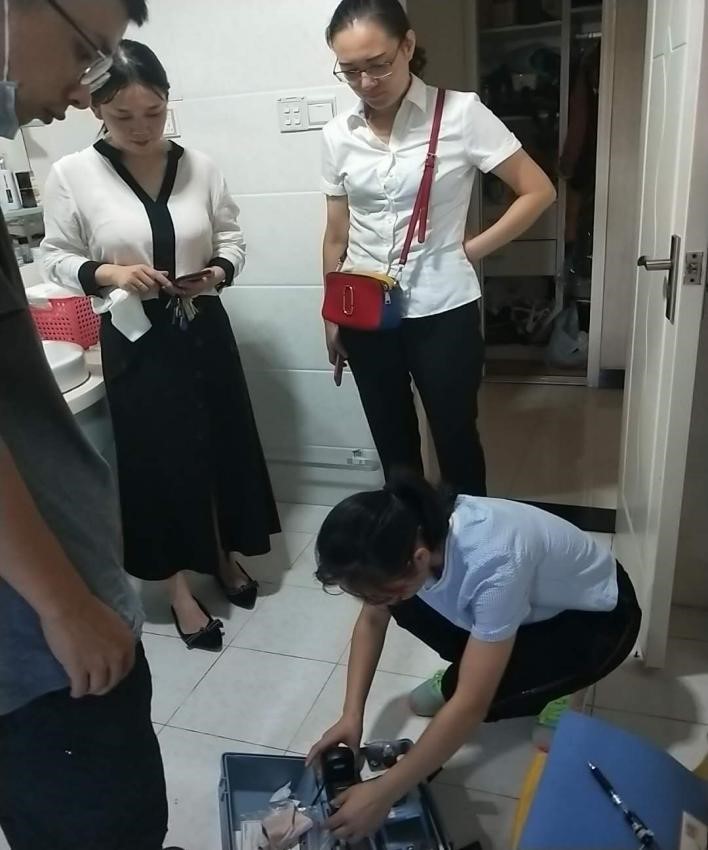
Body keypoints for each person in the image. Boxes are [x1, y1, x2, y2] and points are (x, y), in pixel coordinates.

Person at [0, 2, 183, 848]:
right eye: (85, 52)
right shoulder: (76, 172)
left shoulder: (194, 165)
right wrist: (66, 605)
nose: (84, 90)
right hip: (42, 645)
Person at [41, 40, 280, 652]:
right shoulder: (73, 174)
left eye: (154, 112)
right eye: (123, 115)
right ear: (97, 108)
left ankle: (222, 556)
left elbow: (232, 238)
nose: (142, 128)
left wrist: (218, 270)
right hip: (134, 336)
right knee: (156, 462)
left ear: (169, 101)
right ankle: (176, 589)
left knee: (221, 444)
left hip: (203, 325)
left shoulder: (201, 165)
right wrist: (110, 273)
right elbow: (55, 257)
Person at [307, 475, 641, 841]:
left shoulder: (493, 563)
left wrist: (384, 792)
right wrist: (351, 715)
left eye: (376, 593)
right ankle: (482, 657)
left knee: (469, 694)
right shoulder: (404, 533)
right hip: (528, 608)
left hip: (596, 619)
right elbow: (373, 619)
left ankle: (558, 688)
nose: (372, 602)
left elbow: (471, 706)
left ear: (419, 559)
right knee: (402, 604)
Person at [321, 0, 556, 497]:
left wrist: (469, 251)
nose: (366, 82)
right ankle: (409, 534)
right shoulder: (337, 134)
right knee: (392, 442)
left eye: (378, 64)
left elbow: (538, 190)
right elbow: (337, 235)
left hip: (444, 307)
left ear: (407, 45)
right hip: (365, 309)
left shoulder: (461, 113)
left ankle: (466, 535)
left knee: (455, 439)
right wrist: (331, 314)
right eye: (351, 71)